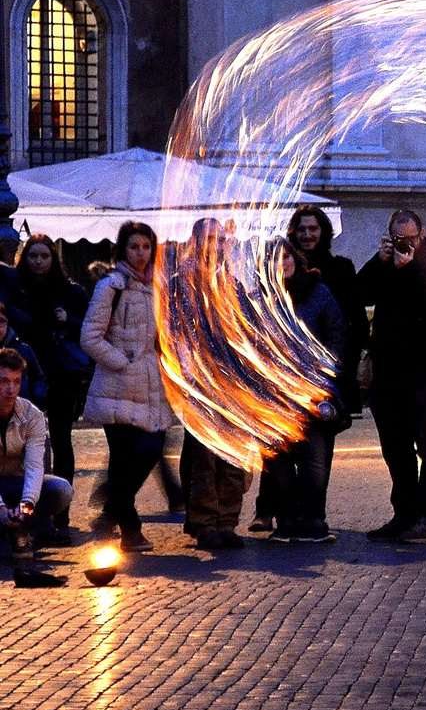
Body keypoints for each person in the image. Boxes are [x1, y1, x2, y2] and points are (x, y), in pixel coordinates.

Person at [357, 209, 426, 543]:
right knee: (396, 450)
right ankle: (404, 514)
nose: (405, 244)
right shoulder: (384, 265)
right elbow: (360, 294)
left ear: (422, 234)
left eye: (410, 238)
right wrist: (378, 260)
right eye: (399, 239)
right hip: (389, 376)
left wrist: (411, 269)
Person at [81, 221, 174, 552]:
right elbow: (90, 337)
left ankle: (109, 513)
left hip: (153, 386)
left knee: (150, 448)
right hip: (117, 385)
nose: (141, 253)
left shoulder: (159, 287)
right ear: (123, 249)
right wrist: (122, 362)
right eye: (135, 247)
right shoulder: (111, 286)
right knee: (123, 458)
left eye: (147, 247)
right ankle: (130, 530)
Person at [173, 219, 254, 550]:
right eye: (208, 238)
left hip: (233, 383)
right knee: (206, 458)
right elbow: (175, 333)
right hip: (201, 382)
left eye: (220, 239)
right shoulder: (181, 284)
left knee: (234, 457)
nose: (215, 244)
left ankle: (227, 521)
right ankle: (205, 522)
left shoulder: (232, 285)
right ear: (195, 241)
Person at [261, 238, 348, 545]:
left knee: (314, 460)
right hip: (274, 393)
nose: (282, 264)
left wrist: (323, 369)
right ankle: (285, 522)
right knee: (280, 462)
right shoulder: (261, 298)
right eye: (274, 259)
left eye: (287, 257)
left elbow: (337, 332)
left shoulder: (317, 292)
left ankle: (313, 521)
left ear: (296, 260)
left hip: (313, 389)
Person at [9, 235, 90, 496]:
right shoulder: (16, 291)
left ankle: (61, 505)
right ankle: (27, 499)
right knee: (22, 440)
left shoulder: (71, 291)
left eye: (44, 256)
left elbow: (90, 329)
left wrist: (69, 320)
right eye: (33, 256)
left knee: (61, 438)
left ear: (54, 259)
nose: (38, 261)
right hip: (24, 373)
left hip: (60, 374)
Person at [288, 204, 367, 415]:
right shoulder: (282, 270)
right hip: (292, 369)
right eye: (302, 229)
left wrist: (347, 362)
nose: (307, 235)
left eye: (313, 229)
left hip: (333, 366)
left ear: (323, 231)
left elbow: (357, 319)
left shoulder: (341, 268)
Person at [0, 349, 75, 555]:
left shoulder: (32, 415)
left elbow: (34, 465)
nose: (10, 389)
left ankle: (20, 529)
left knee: (62, 490)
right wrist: (0, 509)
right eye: (3, 381)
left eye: (16, 381)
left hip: (15, 483)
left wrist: (27, 504)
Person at [0, 306, 48, 408]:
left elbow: (39, 378)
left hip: (21, 411)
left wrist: (35, 400)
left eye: (1, 323)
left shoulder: (23, 350)